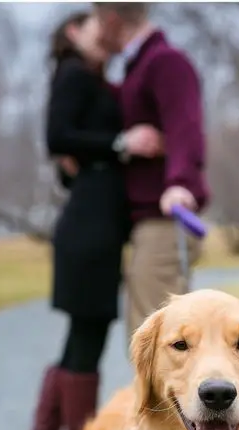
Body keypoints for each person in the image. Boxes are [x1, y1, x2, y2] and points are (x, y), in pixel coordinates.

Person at [26, 12, 163, 430]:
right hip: (89, 230)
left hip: (94, 223)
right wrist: (123, 142)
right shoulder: (72, 73)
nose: (103, 32)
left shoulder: (94, 79)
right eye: (92, 25)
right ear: (71, 32)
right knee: (89, 332)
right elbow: (56, 137)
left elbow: (74, 152)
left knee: (82, 335)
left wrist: (96, 154)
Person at [94, 2, 210, 341]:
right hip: (148, 225)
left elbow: (185, 126)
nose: (97, 32)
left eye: (97, 21)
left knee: (158, 349)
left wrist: (180, 183)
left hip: (165, 221)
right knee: (150, 345)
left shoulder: (165, 62)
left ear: (112, 20)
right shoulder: (139, 67)